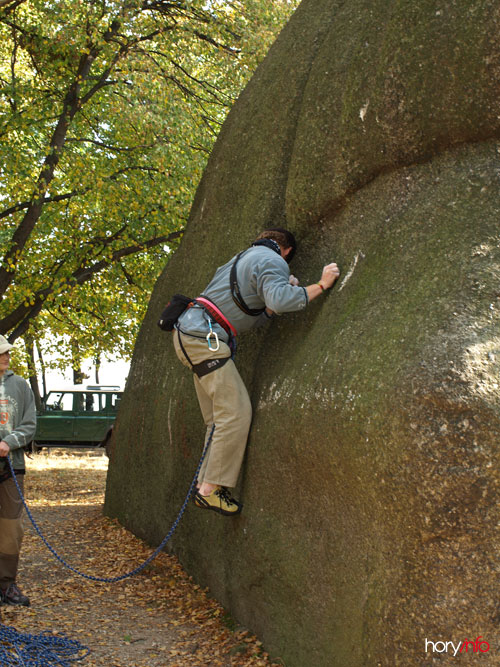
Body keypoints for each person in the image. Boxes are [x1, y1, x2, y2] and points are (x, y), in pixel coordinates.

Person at [173, 228, 340, 516]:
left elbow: (251, 313)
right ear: (286, 251)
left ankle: (205, 485)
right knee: (236, 412)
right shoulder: (273, 260)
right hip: (204, 340)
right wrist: (322, 285)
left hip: (190, 335)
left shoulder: (240, 259)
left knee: (217, 418)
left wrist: (273, 303)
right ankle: (210, 490)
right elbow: (281, 300)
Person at [0, 334, 36, 606]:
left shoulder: (20, 385)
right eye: (1, 353)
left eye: (7, 353)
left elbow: (29, 424)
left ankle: (7, 585)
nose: (6, 357)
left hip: (12, 467)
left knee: (11, 529)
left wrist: (8, 443)